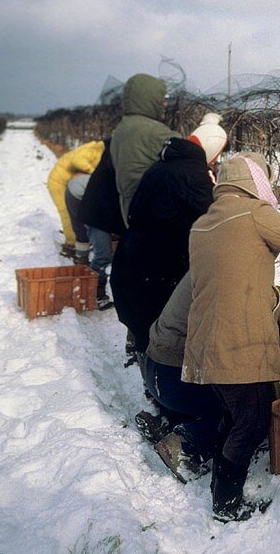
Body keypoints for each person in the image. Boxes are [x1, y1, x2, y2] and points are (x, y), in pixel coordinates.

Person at [182, 153, 280, 522]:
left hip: (203, 344)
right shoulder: (255, 213)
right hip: (238, 344)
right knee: (253, 422)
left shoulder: (201, 224)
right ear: (255, 181)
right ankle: (226, 506)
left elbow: (232, 272)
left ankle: (219, 494)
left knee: (232, 416)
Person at [145, 273, 280, 483]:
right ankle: (185, 446)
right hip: (174, 378)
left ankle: (168, 417)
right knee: (251, 411)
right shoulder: (229, 278)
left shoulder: (217, 260)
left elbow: (265, 298)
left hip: (158, 370)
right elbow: (251, 336)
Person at [115, 117, 227, 441]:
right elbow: (214, 223)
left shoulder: (160, 166)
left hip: (131, 263)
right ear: (210, 151)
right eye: (217, 156)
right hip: (156, 271)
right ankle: (173, 411)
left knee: (145, 333)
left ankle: (155, 399)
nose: (217, 162)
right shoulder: (193, 175)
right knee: (164, 335)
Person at [109, 73, 179, 227]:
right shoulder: (152, 131)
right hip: (154, 213)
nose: (165, 104)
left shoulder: (122, 127)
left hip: (130, 209)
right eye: (161, 99)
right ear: (148, 100)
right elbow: (188, 152)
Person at [77, 138, 126, 310]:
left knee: (107, 255)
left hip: (101, 216)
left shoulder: (113, 161)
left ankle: (96, 289)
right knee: (103, 255)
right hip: (95, 217)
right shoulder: (112, 166)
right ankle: (95, 293)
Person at [46, 140, 105, 260]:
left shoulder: (99, 148)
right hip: (59, 182)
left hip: (69, 182)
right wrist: (94, 173)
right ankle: (71, 245)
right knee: (67, 214)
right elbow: (77, 161)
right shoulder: (96, 149)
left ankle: (77, 240)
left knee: (77, 214)